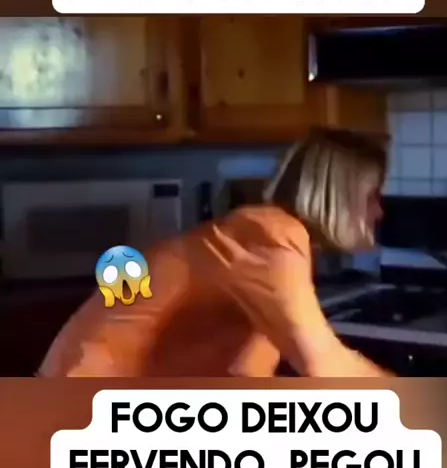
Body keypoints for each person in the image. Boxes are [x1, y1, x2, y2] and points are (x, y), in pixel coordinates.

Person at [39, 128, 390, 378]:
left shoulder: (273, 244)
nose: (379, 211)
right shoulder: (271, 239)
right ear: (337, 198)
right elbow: (324, 363)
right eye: (372, 196)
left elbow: (245, 372)